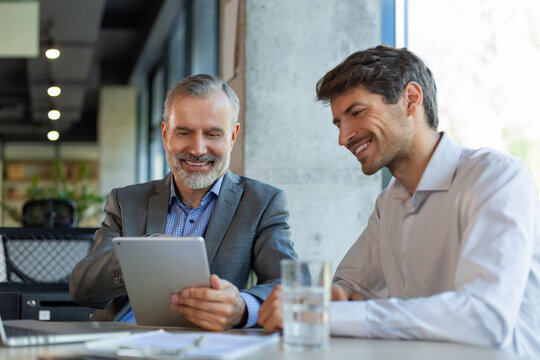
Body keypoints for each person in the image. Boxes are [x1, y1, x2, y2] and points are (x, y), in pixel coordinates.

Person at [258, 46, 540, 357]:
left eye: (357, 112)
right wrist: (330, 298)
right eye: (339, 123)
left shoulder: (495, 178)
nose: (344, 137)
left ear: (411, 99)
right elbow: (349, 288)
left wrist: (321, 315)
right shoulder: (389, 203)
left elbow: (485, 319)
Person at [70, 74, 297, 331]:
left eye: (213, 134)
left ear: (232, 136)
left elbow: (292, 284)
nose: (198, 149)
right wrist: (141, 254)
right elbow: (82, 288)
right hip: (122, 341)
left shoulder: (262, 203)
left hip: (206, 346)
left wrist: (242, 307)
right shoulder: (126, 201)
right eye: (184, 132)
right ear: (166, 134)